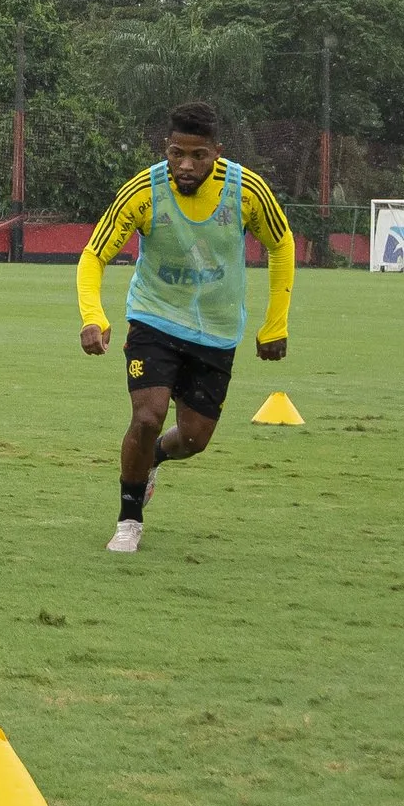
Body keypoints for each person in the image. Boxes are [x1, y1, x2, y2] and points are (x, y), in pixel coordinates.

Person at [77, 101, 295, 554]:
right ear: (167, 148)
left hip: (215, 331)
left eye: (198, 155)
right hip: (154, 319)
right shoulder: (143, 191)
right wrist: (93, 316)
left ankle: (153, 459)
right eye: (178, 153)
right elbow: (94, 255)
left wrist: (275, 323)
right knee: (147, 416)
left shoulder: (246, 190)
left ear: (217, 151)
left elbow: (282, 243)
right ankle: (129, 520)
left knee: (194, 439)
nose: (187, 165)